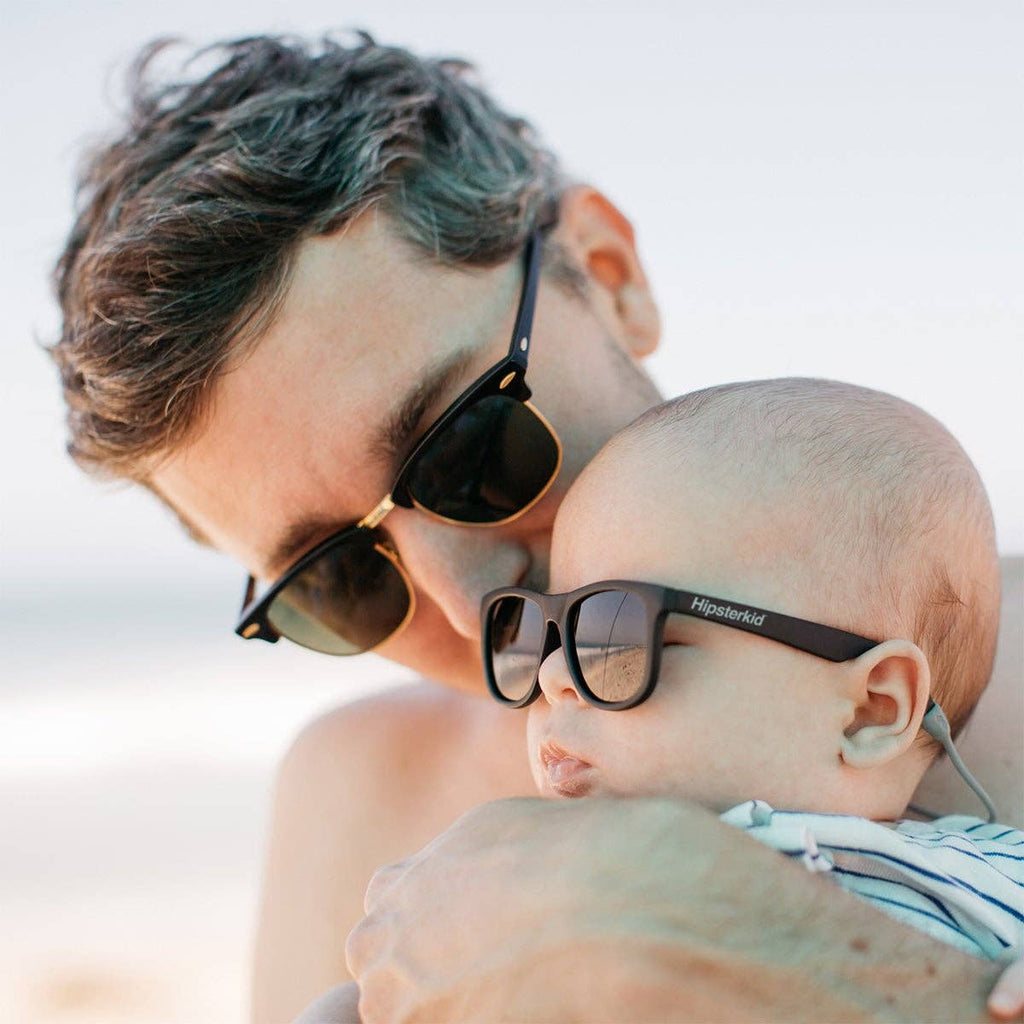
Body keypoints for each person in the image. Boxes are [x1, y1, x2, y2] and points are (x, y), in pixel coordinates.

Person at [50, 34, 1021, 1023]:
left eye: (470, 447)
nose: (470, 605)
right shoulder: (349, 800)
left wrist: (811, 959)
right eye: (341, 579)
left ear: (609, 275)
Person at [485, 380, 1022, 962]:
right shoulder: (540, 879)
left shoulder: (989, 869)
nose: (552, 676)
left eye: (616, 636)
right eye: (539, 633)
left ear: (870, 712)